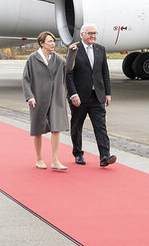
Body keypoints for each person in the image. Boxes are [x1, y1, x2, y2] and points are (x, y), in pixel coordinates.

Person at [65, 23, 116, 167]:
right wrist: (73, 94)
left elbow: (104, 72)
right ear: (82, 35)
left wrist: (108, 92)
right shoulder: (74, 50)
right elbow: (68, 74)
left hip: (97, 96)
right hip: (79, 97)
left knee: (100, 126)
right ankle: (78, 153)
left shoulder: (101, 49)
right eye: (90, 33)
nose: (93, 36)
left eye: (95, 33)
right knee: (77, 125)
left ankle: (105, 156)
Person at [22, 31, 70, 171]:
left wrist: (72, 52)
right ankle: (39, 158)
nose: (53, 43)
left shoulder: (57, 59)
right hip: (38, 99)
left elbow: (69, 67)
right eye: (50, 41)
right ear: (41, 43)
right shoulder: (32, 59)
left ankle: (55, 160)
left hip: (55, 97)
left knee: (56, 128)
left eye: (54, 41)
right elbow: (25, 79)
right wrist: (29, 96)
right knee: (38, 129)